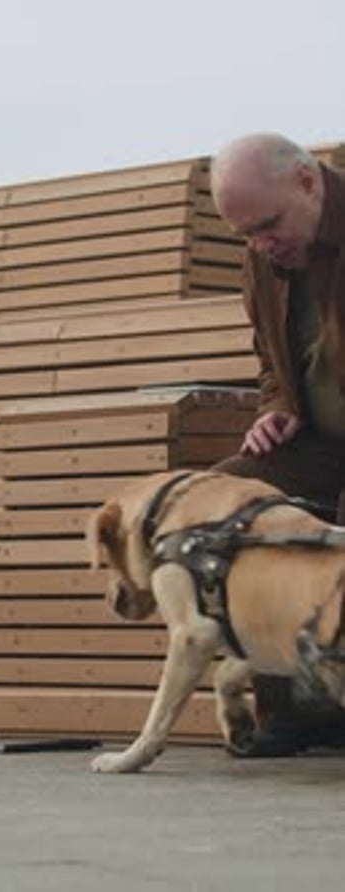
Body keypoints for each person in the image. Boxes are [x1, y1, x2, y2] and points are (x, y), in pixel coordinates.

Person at [210, 132, 345, 756]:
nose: (262, 245)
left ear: (308, 181)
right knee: (227, 503)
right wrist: (278, 407)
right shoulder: (261, 258)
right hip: (319, 441)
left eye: (267, 225)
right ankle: (294, 706)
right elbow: (269, 361)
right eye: (246, 235)